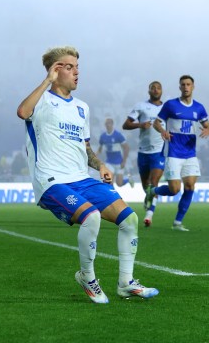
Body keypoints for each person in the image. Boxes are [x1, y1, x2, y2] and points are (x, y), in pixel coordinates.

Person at [17, 46, 158, 304]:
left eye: (77, 67)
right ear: (55, 70)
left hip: (81, 178)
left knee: (130, 219)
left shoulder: (82, 107)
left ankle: (126, 283)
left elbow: (85, 146)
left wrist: (100, 165)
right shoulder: (41, 100)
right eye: (69, 67)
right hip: (51, 181)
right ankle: (87, 277)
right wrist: (47, 81)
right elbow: (23, 112)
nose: (76, 72)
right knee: (91, 216)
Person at [146, 74, 209, 231]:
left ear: (193, 87)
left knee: (190, 187)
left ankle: (177, 222)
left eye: (188, 84)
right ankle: (153, 191)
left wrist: (208, 130)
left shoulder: (199, 108)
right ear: (179, 87)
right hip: (173, 152)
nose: (186, 87)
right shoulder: (171, 105)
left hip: (190, 153)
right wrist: (163, 131)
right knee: (175, 189)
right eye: (183, 84)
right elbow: (156, 122)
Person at [122, 81, 165, 227]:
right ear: (149, 91)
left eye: (158, 88)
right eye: (153, 87)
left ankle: (149, 216)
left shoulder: (167, 108)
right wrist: (140, 124)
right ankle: (148, 198)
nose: (155, 90)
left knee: (154, 183)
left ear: (161, 91)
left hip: (159, 152)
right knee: (146, 186)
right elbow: (125, 125)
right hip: (143, 153)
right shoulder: (141, 106)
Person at [97, 117, 130, 187]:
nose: (108, 125)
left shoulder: (118, 135)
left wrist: (124, 161)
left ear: (112, 124)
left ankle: (128, 179)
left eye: (109, 123)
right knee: (109, 182)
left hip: (119, 162)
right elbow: (99, 149)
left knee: (119, 184)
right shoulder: (103, 136)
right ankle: (113, 197)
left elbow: (126, 148)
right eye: (106, 124)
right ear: (105, 125)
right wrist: (94, 157)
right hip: (109, 162)